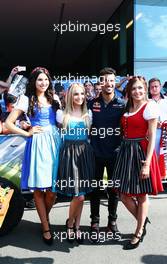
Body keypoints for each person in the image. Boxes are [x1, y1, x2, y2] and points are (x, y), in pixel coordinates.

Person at [5, 67, 61, 245]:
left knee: (52, 191)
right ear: (34, 82)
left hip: (54, 143)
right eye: (39, 80)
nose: (43, 83)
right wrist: (27, 133)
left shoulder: (55, 98)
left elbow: (61, 121)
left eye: (46, 79)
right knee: (38, 189)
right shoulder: (26, 99)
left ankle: (44, 217)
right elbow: (8, 122)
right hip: (37, 144)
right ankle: (45, 226)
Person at [112, 76, 163, 250]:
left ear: (146, 89)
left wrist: (147, 163)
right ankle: (143, 219)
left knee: (141, 195)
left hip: (141, 152)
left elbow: (152, 137)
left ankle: (138, 232)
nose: (137, 91)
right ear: (130, 91)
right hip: (126, 152)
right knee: (124, 195)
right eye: (134, 88)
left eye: (141, 88)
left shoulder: (150, 107)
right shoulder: (128, 106)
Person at [88, 67, 125, 242]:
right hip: (95, 153)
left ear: (115, 81)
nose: (108, 83)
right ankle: (94, 223)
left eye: (111, 80)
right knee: (95, 189)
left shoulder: (122, 104)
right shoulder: (91, 103)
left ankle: (112, 221)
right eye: (105, 80)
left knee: (113, 190)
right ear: (100, 83)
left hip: (115, 154)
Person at [56, 83, 94, 243]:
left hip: (85, 154)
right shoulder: (61, 114)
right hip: (69, 153)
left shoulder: (88, 114)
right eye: (76, 94)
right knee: (77, 195)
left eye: (82, 94)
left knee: (82, 194)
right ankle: (70, 223)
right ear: (70, 95)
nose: (79, 97)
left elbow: (90, 135)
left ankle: (76, 225)